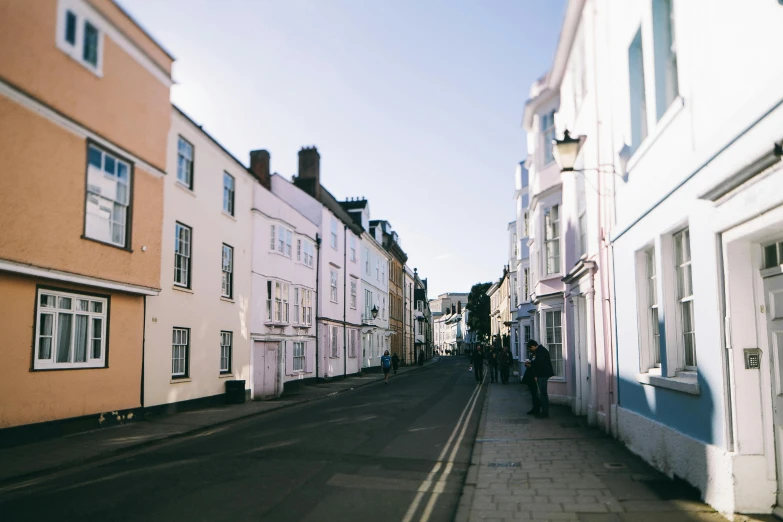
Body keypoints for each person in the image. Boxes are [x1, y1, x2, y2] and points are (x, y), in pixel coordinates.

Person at [524, 340, 554, 418]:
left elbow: (540, 365)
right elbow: (536, 363)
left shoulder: (541, 352)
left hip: (543, 375)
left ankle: (545, 412)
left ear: (534, 346)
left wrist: (536, 375)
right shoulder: (538, 352)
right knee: (539, 393)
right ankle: (539, 410)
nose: (530, 350)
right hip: (540, 374)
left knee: (543, 393)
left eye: (531, 348)